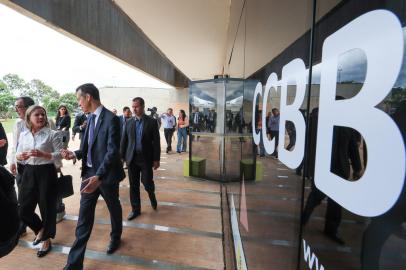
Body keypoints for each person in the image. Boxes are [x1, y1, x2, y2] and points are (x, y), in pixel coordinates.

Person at [61, 83, 125, 270]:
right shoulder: (89, 119)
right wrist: (75, 154)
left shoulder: (111, 119)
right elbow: (88, 147)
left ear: (88, 97)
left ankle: (116, 237)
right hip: (88, 175)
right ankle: (74, 264)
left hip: (105, 176)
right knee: (84, 219)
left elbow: (112, 151)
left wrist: (99, 175)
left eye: (79, 99)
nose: (78, 104)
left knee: (114, 207)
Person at [302, 105, 362, 245]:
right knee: (318, 196)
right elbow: (352, 148)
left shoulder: (339, 124)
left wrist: (357, 167)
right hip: (329, 168)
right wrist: (357, 167)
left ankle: (327, 228)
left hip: (335, 169)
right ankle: (315, 222)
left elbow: (352, 147)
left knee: (330, 201)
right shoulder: (325, 123)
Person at [16, 105, 63, 257]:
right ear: (29, 117)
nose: (41, 117)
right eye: (37, 115)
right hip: (28, 172)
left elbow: (60, 155)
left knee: (47, 208)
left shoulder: (52, 134)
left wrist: (44, 154)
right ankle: (40, 229)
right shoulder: (23, 134)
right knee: (23, 209)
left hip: (46, 173)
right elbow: (17, 154)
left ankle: (46, 241)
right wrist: (20, 157)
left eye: (43, 114)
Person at [120, 97, 160, 220]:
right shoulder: (128, 122)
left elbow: (156, 142)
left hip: (146, 158)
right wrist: (121, 157)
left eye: (136, 106)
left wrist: (156, 159)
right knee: (134, 185)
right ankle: (135, 210)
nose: (134, 109)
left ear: (142, 106)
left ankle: (151, 194)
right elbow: (124, 141)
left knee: (147, 182)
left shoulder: (152, 122)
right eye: (133, 107)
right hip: (132, 158)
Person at [9, 96, 35, 236]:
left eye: (18, 106)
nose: (16, 109)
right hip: (22, 167)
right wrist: (13, 161)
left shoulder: (46, 121)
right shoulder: (17, 124)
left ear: (27, 108)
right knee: (23, 199)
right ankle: (22, 225)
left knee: (41, 199)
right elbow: (15, 146)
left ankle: (45, 233)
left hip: (39, 168)